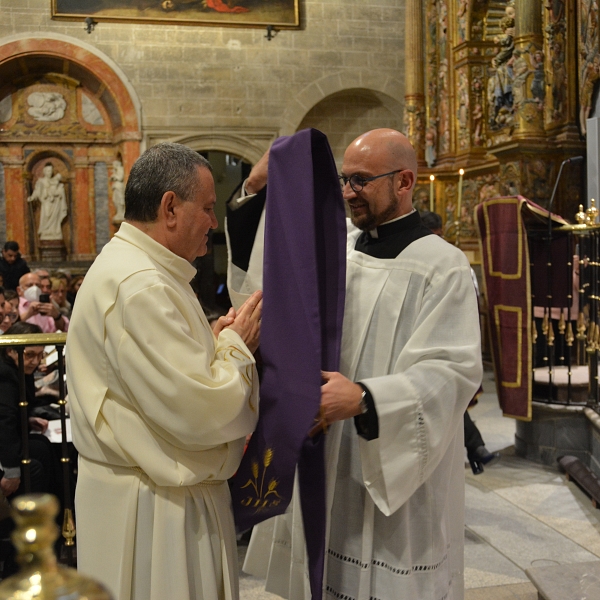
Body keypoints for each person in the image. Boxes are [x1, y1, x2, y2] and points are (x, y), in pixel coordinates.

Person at [233, 129, 482, 599]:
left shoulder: (442, 266)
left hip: (392, 456)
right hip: (324, 447)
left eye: (360, 181)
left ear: (404, 181)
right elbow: (273, 260)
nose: (347, 193)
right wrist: (256, 183)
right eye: (344, 180)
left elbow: (451, 370)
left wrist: (368, 399)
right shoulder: (338, 250)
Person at [66, 142, 263, 600]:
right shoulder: (142, 285)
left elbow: (156, 381)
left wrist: (210, 342)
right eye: (209, 208)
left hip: (143, 494)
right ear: (170, 207)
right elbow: (200, 411)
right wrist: (237, 346)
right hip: (157, 510)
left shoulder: (138, 267)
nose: (214, 223)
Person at [420, 210, 500, 475]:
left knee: (451, 399)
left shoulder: (449, 262)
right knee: (447, 401)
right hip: (436, 347)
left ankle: (475, 449)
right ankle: (476, 449)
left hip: (451, 343)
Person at [0, 321, 61, 578]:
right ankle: (23, 547)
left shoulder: (17, 369)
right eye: (30, 354)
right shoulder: (5, 373)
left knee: (45, 447)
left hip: (7, 438)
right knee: (32, 469)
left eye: (39, 354)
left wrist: (29, 418)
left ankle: (54, 527)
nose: (35, 361)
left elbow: (16, 410)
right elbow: (3, 419)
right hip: (3, 452)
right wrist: (11, 470)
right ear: (11, 350)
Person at [27, 162, 68, 241]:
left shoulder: (56, 182)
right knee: (46, 215)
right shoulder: (41, 181)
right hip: (46, 203)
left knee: (55, 220)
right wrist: (32, 197)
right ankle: (46, 232)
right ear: (44, 171)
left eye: (51, 171)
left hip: (56, 204)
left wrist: (59, 192)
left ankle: (55, 232)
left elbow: (60, 192)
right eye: (48, 171)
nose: (50, 173)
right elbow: (37, 191)